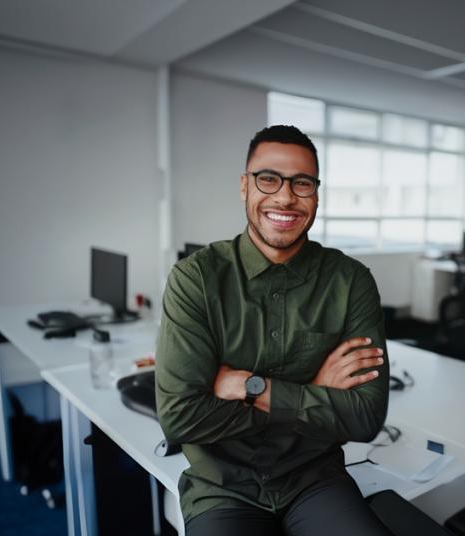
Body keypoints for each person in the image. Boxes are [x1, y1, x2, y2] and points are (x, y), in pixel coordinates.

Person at [156, 125, 391, 536]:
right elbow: (180, 418)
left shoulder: (350, 281)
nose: (285, 196)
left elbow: (365, 417)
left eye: (302, 183)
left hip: (314, 478)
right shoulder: (196, 279)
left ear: (316, 195)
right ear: (245, 187)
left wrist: (254, 388)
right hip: (223, 486)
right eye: (269, 179)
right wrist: (313, 392)